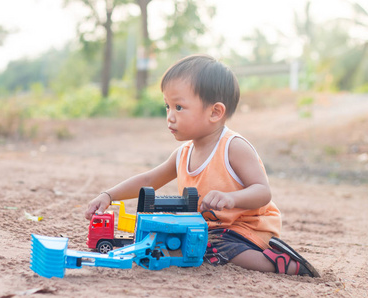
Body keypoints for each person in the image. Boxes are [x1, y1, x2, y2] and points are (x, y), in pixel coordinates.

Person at [84, 54, 319, 277]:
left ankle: (283, 264)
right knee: (172, 237)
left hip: (248, 228)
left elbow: (263, 192)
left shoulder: (233, 147)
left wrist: (232, 199)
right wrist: (109, 195)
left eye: (179, 107)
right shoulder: (183, 154)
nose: (170, 116)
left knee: (211, 247)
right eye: (167, 106)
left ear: (215, 112)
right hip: (212, 228)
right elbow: (148, 181)